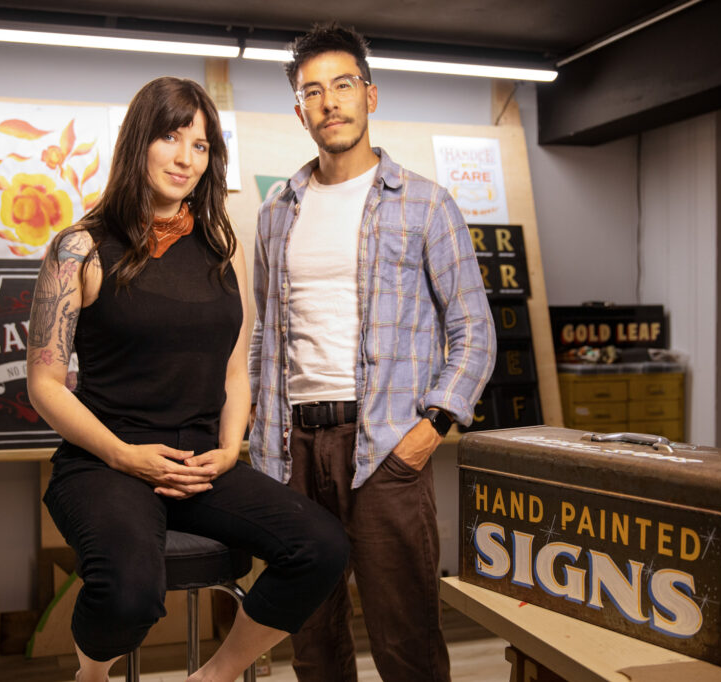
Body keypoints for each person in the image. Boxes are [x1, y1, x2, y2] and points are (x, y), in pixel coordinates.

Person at [28, 76, 349, 682]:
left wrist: (229, 451)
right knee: (128, 593)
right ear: (138, 142)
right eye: (171, 138)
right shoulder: (80, 248)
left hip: (203, 461)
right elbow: (44, 384)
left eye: (200, 146)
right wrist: (126, 456)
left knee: (322, 548)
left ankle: (213, 676)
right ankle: (91, 677)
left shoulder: (223, 248)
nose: (185, 158)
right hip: (103, 461)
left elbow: (234, 368)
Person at [248, 23, 496, 682]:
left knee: (405, 638)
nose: (329, 102)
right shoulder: (277, 212)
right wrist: (257, 439)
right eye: (313, 92)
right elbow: (263, 333)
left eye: (343, 85)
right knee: (312, 638)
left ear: (370, 95)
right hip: (293, 450)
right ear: (299, 111)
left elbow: (474, 330)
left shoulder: (426, 205)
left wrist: (430, 431)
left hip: (386, 445)